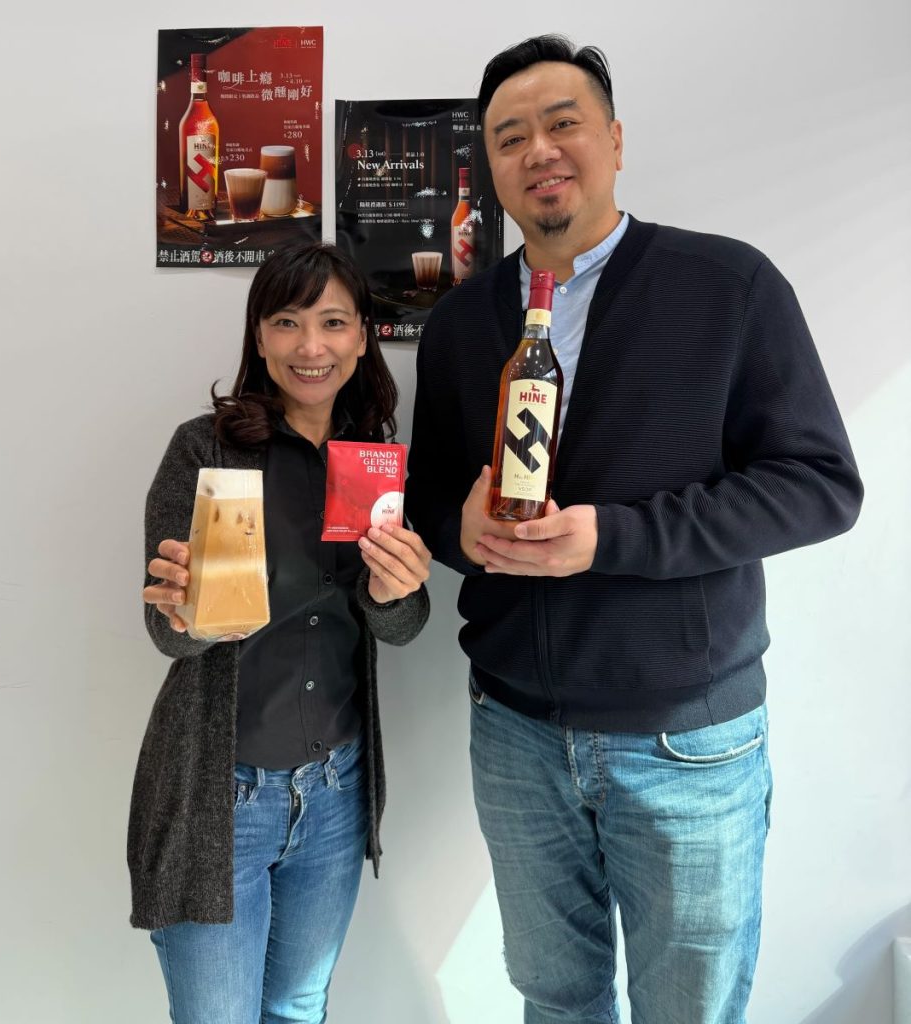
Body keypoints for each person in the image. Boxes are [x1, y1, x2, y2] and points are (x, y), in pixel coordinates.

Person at [406, 34, 862, 1024]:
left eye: (562, 123)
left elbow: (820, 485)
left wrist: (611, 538)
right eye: (509, 137)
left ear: (614, 140)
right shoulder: (459, 325)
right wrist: (461, 529)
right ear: (491, 168)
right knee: (553, 999)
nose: (538, 151)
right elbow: (428, 495)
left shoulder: (728, 286)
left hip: (686, 738)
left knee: (688, 1010)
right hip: (514, 731)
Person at [129, 241, 430, 1024]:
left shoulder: (375, 460)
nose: (310, 346)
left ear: (362, 337)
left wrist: (398, 592)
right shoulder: (204, 449)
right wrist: (182, 610)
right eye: (287, 322)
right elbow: (169, 635)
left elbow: (402, 626)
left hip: (335, 790)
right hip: (221, 796)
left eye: (333, 322)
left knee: (298, 1006)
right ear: (259, 338)